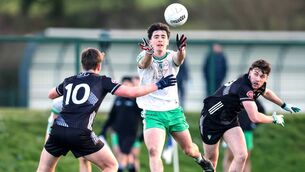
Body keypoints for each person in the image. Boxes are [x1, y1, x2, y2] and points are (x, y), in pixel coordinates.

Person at [36, 47, 177, 172]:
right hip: (81, 132)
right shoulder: (102, 80)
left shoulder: (70, 80)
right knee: (111, 166)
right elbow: (132, 93)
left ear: (82, 64)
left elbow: (51, 95)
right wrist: (159, 85)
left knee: (44, 168)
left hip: (59, 129)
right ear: (99, 66)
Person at [137, 22, 214, 172]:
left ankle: (201, 159)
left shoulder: (172, 55)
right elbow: (143, 64)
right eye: (156, 37)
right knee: (154, 152)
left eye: (163, 37)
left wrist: (182, 50)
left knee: (189, 150)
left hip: (173, 111)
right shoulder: (143, 55)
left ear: (167, 41)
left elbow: (179, 60)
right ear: (150, 40)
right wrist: (148, 53)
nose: (159, 39)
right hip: (152, 112)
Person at [199, 59, 301, 172]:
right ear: (249, 72)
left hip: (229, 120)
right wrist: (273, 118)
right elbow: (255, 117)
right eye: (256, 74)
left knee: (242, 155)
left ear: (266, 78)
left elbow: (266, 92)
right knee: (211, 163)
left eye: (262, 76)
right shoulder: (244, 87)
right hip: (211, 119)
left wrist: (284, 105)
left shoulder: (258, 85)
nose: (258, 79)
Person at [99, 76, 143, 172]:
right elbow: (111, 118)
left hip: (132, 135)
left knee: (131, 159)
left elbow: (144, 121)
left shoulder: (137, 102)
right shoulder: (118, 100)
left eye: (128, 85)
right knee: (120, 158)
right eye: (124, 85)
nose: (126, 87)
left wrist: (140, 139)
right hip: (117, 134)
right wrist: (103, 132)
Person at [45, 96, 92, 172]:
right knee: (48, 162)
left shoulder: (87, 96)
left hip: (78, 128)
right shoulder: (60, 100)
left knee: (84, 159)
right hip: (57, 126)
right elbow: (53, 119)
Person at [222, 100, 265, 172]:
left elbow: (261, 111)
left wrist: (253, 124)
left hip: (246, 131)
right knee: (230, 157)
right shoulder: (231, 96)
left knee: (246, 158)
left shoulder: (250, 97)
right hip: (232, 131)